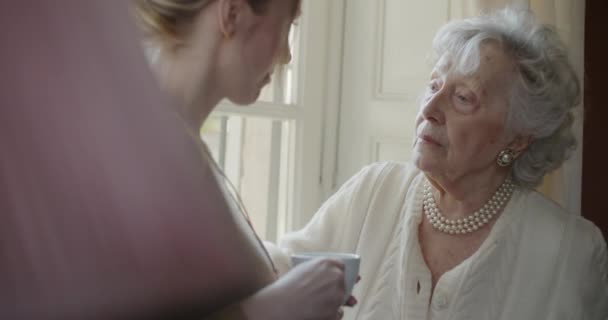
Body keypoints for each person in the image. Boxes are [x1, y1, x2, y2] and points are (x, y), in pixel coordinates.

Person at [268, 8, 608, 320]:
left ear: (518, 139)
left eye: (463, 98)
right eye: (433, 85)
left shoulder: (570, 252)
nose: (429, 107)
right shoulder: (374, 191)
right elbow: (277, 272)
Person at [131, 0, 355, 319]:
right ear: (233, 14)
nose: (288, 56)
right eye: (288, 25)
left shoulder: (182, 144)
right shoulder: (147, 149)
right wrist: (275, 308)